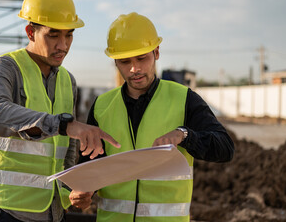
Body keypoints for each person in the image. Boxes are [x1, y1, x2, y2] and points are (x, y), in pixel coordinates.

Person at [69, 12, 235, 221]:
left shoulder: (184, 99)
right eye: (124, 61)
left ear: (156, 52)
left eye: (141, 58)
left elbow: (225, 148)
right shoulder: (102, 106)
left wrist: (184, 135)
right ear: (114, 62)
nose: (134, 69)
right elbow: (92, 163)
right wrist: (85, 192)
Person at [0, 0, 120, 222]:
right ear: (30, 32)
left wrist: (70, 189)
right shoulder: (5, 67)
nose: (63, 45)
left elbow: (67, 149)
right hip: (6, 209)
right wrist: (62, 125)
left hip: (51, 212)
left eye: (69, 35)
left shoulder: (67, 80)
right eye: (53, 34)